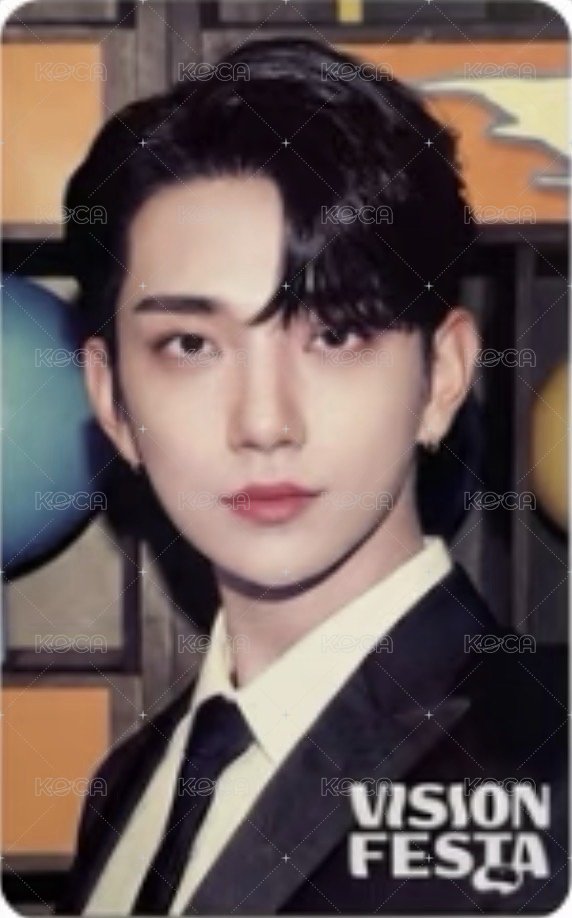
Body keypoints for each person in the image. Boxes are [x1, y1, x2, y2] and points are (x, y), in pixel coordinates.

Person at [55, 37, 567, 915]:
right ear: (111, 399)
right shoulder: (127, 787)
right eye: (191, 345)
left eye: (335, 334)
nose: (264, 423)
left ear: (442, 377)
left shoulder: (547, 763)